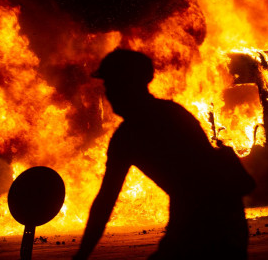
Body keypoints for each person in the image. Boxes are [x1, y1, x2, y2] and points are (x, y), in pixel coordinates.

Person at [73, 49, 251, 260]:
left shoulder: (129, 136)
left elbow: (105, 202)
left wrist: (81, 255)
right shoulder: (173, 112)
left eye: (111, 85)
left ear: (128, 85)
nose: (108, 94)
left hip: (206, 219)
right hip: (223, 215)